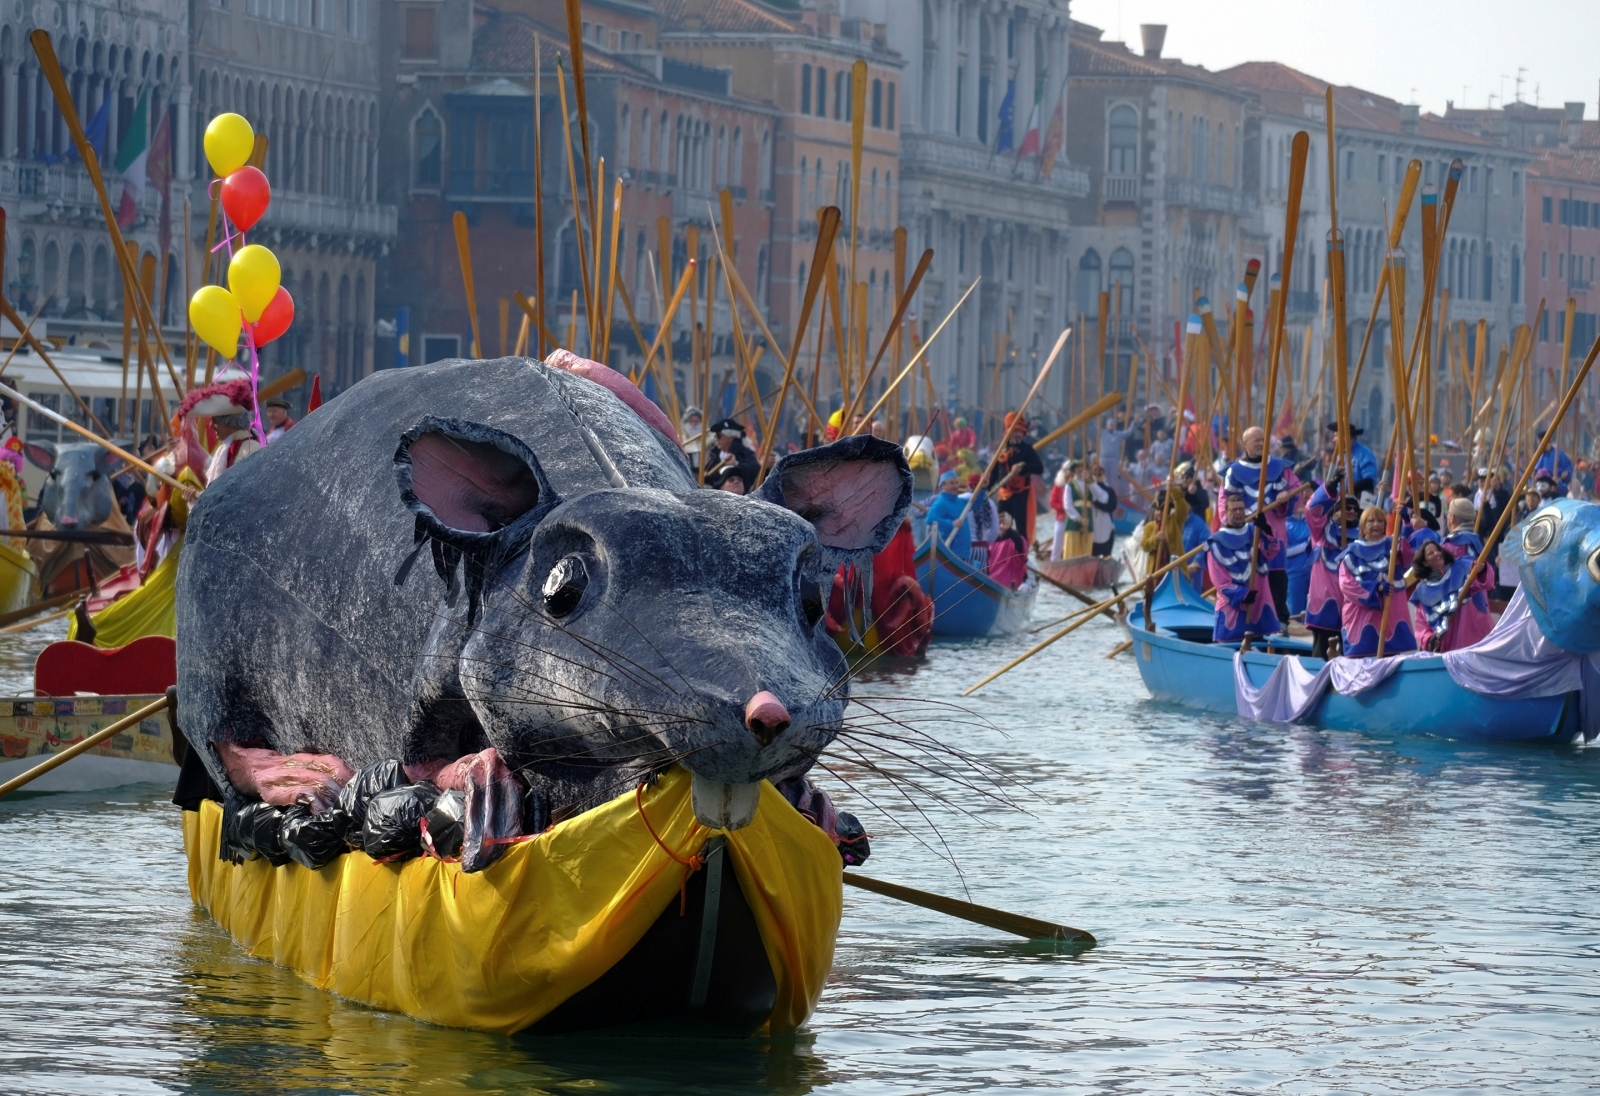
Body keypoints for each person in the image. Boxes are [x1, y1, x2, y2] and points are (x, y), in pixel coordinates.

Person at [1223, 425, 1301, 626]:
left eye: (1262, 440)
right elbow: (1225, 501)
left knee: (1276, 574)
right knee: (1246, 573)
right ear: (1245, 444)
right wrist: (1230, 522)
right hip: (1245, 532)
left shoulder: (1279, 467)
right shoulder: (1234, 470)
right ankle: (1247, 618)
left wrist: (1287, 496)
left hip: (1274, 529)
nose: (1260, 444)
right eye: (1255, 440)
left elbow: (1296, 489)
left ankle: (1280, 620)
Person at [1336, 506, 1417, 657]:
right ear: (1363, 526)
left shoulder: (1392, 546)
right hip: (1362, 617)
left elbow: (1408, 551)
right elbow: (1346, 585)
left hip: (1390, 616)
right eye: (1371, 521)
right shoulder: (1352, 552)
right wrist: (1376, 588)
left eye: (1380, 521)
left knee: (1390, 664)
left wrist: (1406, 523)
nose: (1376, 524)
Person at [1205, 490, 1281, 642]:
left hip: (1258, 604)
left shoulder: (1255, 531)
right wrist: (1242, 595)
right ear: (1226, 512)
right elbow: (1220, 581)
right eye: (1234, 510)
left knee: (1259, 643)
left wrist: (1266, 530)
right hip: (1234, 607)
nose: (1238, 513)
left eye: (1241, 509)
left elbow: (1272, 552)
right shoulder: (1216, 542)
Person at [1304, 479, 1363, 659]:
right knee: (1321, 656)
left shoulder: (1362, 536)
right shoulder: (1321, 530)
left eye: (1355, 509)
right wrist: (1329, 488)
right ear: (1336, 510)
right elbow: (1311, 510)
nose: (1352, 512)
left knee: (1350, 658)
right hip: (1324, 603)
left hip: (1352, 607)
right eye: (1347, 508)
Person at [1406, 536, 1495, 652]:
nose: (1437, 553)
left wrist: (1482, 570)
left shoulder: (1463, 565)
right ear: (1425, 563)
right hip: (1450, 649)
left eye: (1438, 550)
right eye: (1431, 553)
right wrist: (1429, 639)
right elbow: (1421, 626)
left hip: (1478, 637)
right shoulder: (1422, 591)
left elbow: (1486, 583)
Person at [995, 414, 1045, 542]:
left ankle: (1021, 556)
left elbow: (1039, 468)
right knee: (1000, 527)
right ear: (1008, 433)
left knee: (1021, 528)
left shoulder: (1027, 450)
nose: (1018, 434)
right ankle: (1000, 555)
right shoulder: (1001, 450)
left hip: (1021, 495)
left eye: (1020, 432)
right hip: (1003, 495)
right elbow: (994, 474)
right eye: (1015, 431)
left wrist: (1023, 467)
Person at [1050, 459, 1092, 560]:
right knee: (1058, 541)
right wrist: (1065, 509)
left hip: (1076, 517)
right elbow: (1053, 502)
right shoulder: (1059, 484)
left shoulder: (1079, 482)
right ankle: (1055, 560)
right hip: (1062, 518)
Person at [1325, 422, 1379, 499]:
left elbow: (1369, 481)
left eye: (1336, 436)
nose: (1334, 440)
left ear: (1346, 437)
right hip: (1341, 501)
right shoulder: (1339, 456)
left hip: (1358, 501)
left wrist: (1349, 491)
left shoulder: (1364, 454)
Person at [704, 417, 760, 492]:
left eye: (719, 436)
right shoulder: (714, 455)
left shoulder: (745, 453)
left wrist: (736, 464)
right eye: (715, 436)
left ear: (730, 437)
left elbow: (755, 472)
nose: (716, 439)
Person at [926, 471, 972, 557]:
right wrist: (951, 524)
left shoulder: (960, 501)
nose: (955, 486)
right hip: (952, 551)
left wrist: (983, 488)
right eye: (951, 483)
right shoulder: (941, 503)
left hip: (964, 552)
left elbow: (976, 503)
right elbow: (930, 518)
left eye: (956, 483)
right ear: (943, 486)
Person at [1284, 496, 1312, 620]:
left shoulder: (1311, 522)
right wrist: (1306, 545)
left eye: (1302, 500)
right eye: (1296, 500)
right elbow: (1283, 552)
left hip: (1313, 573)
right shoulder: (1284, 525)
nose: (1300, 503)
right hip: (1294, 574)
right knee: (1295, 613)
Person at [987, 511, 1029, 589]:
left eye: (1002, 522)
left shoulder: (1016, 541)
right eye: (998, 522)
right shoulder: (989, 541)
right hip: (988, 581)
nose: (1000, 525)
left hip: (1009, 584)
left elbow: (1021, 548)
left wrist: (1008, 529)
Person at [1088, 463, 1118, 558]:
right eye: (1095, 475)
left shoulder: (1109, 490)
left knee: (1107, 547)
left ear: (1104, 475)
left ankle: (1107, 558)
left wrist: (1097, 504)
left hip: (1106, 521)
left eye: (1100, 474)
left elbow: (1112, 506)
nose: (1098, 477)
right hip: (1093, 521)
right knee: (1093, 548)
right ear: (1092, 476)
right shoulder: (1089, 489)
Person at [1532, 427, 1573, 496]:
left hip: (1557, 486)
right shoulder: (1539, 456)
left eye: (1540, 443)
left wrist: (1567, 472)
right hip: (1542, 487)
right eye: (1538, 443)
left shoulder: (1559, 453)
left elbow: (1569, 467)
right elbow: (1535, 471)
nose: (1539, 445)